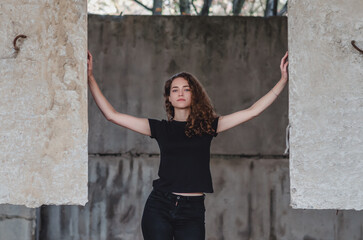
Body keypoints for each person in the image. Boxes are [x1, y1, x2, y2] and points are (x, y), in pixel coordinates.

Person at [87, 50, 289, 240]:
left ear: (194, 95)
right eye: (175, 90)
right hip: (159, 206)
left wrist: (282, 80)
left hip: (192, 211)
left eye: (186, 89)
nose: (180, 93)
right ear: (169, 97)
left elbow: (252, 111)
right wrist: (90, 77)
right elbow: (111, 115)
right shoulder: (160, 128)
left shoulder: (209, 127)